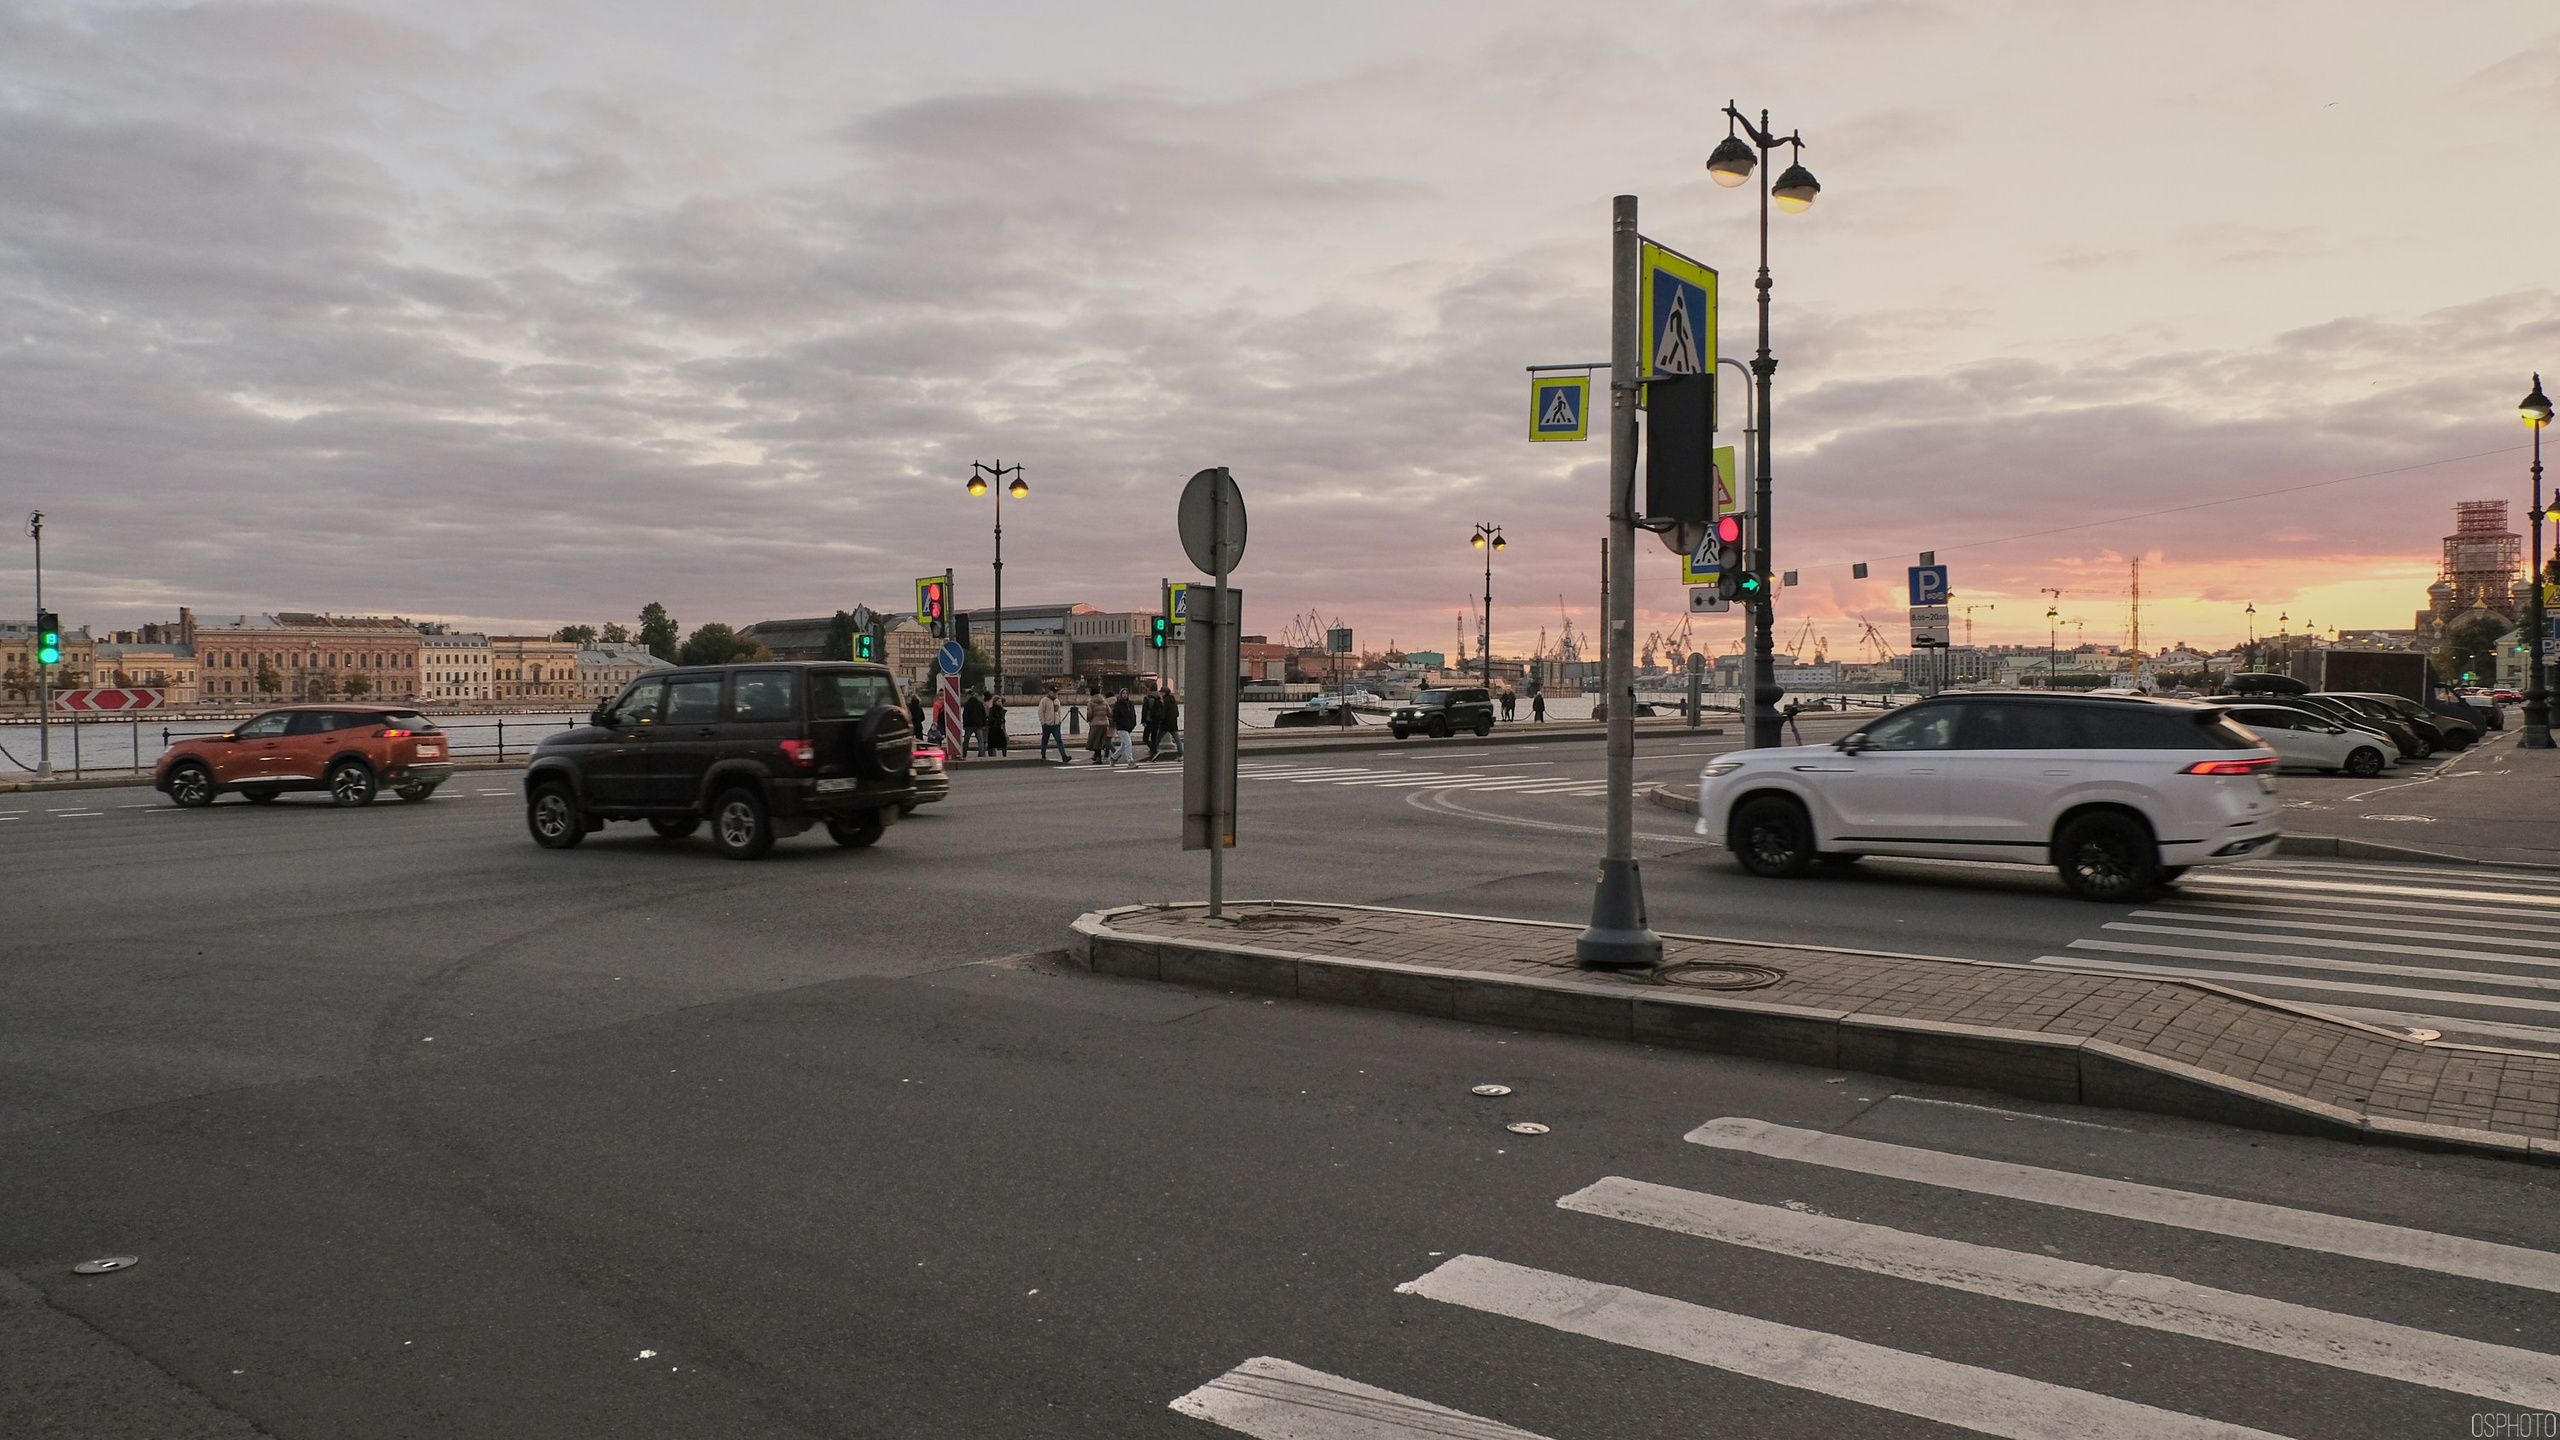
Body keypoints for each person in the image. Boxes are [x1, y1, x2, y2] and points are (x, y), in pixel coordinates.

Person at [1038, 689, 1070, 763]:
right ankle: (1043, 755)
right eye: (1054, 692)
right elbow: (1040, 712)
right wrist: (1043, 723)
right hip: (1047, 724)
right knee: (1045, 740)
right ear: (1049, 692)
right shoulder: (1044, 701)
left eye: (1056, 692)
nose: (1055, 694)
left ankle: (1064, 756)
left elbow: (1058, 711)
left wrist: (1059, 721)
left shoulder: (1057, 701)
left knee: (1059, 740)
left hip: (1056, 724)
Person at [1110, 690, 1139, 768]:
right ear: (1120, 694)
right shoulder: (1118, 704)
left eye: (1126, 693)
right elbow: (1115, 716)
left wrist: (1133, 723)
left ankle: (1113, 757)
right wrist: (1119, 724)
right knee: (1128, 743)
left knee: (1124, 745)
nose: (1125, 695)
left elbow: (1133, 714)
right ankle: (1130, 760)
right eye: (1123, 693)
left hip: (1128, 727)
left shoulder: (1130, 704)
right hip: (1121, 727)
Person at [1087, 689, 1114, 764]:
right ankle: (1097, 756)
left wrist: (1089, 719)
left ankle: (1098, 757)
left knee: (1095, 741)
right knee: (1101, 741)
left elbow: (1090, 713)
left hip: (1095, 724)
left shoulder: (1091, 702)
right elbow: (1109, 713)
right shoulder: (1104, 701)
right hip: (1105, 723)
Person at [1156, 686, 1182, 758]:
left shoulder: (1165, 701)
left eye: (1162, 692)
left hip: (1165, 723)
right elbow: (1177, 713)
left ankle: (1153, 751)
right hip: (1173, 723)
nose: (1161, 693)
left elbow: (1163, 713)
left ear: (1164, 693)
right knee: (1177, 740)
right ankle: (1180, 753)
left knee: (1158, 738)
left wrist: (1160, 720)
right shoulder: (1173, 701)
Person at [961, 691, 988, 757]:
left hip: (969, 725)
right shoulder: (980, 704)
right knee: (980, 741)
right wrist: (984, 724)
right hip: (979, 725)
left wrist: (964, 725)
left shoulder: (967, 704)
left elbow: (965, 715)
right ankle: (981, 754)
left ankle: (964, 753)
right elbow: (984, 715)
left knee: (966, 740)